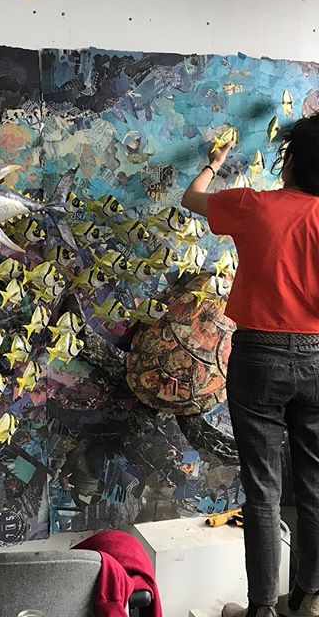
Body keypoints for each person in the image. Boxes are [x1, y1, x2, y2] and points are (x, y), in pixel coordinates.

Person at [181, 115, 319, 617]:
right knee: (316, 485)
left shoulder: (254, 205)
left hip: (259, 355)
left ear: (290, 162)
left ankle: (261, 609)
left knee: (263, 489)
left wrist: (213, 164)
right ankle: (310, 598)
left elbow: (192, 199)